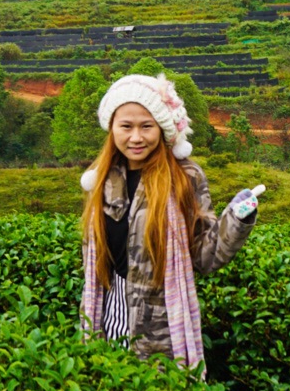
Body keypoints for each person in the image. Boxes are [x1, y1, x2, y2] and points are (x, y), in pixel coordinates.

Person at [78, 73, 263, 374]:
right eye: (126, 126)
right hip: (108, 318)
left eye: (146, 126)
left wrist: (236, 220)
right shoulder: (102, 179)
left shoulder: (184, 177)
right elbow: (94, 257)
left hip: (162, 330)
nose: (136, 137)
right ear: (112, 128)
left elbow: (204, 257)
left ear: (162, 128)